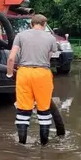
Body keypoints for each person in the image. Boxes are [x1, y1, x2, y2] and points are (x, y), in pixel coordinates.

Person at [6, 14, 58, 145]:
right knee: (44, 110)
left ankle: (22, 144)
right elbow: (49, 57)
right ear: (44, 24)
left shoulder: (20, 36)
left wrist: (9, 73)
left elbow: (11, 58)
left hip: (24, 73)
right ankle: (44, 145)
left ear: (31, 24)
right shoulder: (51, 38)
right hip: (42, 74)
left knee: (23, 110)